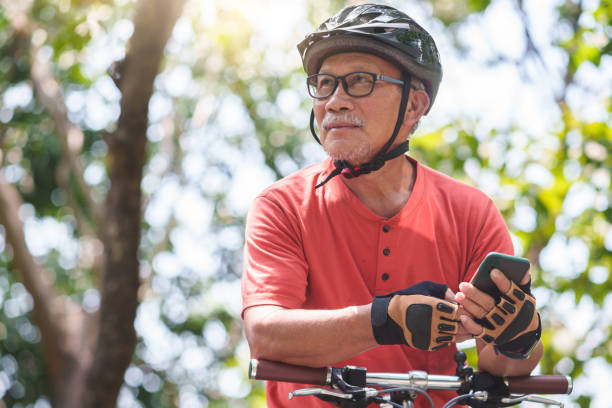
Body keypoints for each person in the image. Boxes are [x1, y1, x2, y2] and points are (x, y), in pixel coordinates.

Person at [241, 4, 543, 407]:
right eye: (325, 83)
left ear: (415, 106)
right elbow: (265, 334)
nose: (334, 101)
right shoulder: (283, 206)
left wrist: (519, 337)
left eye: (360, 82)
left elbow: (501, 364)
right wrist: (384, 318)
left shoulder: (470, 212)